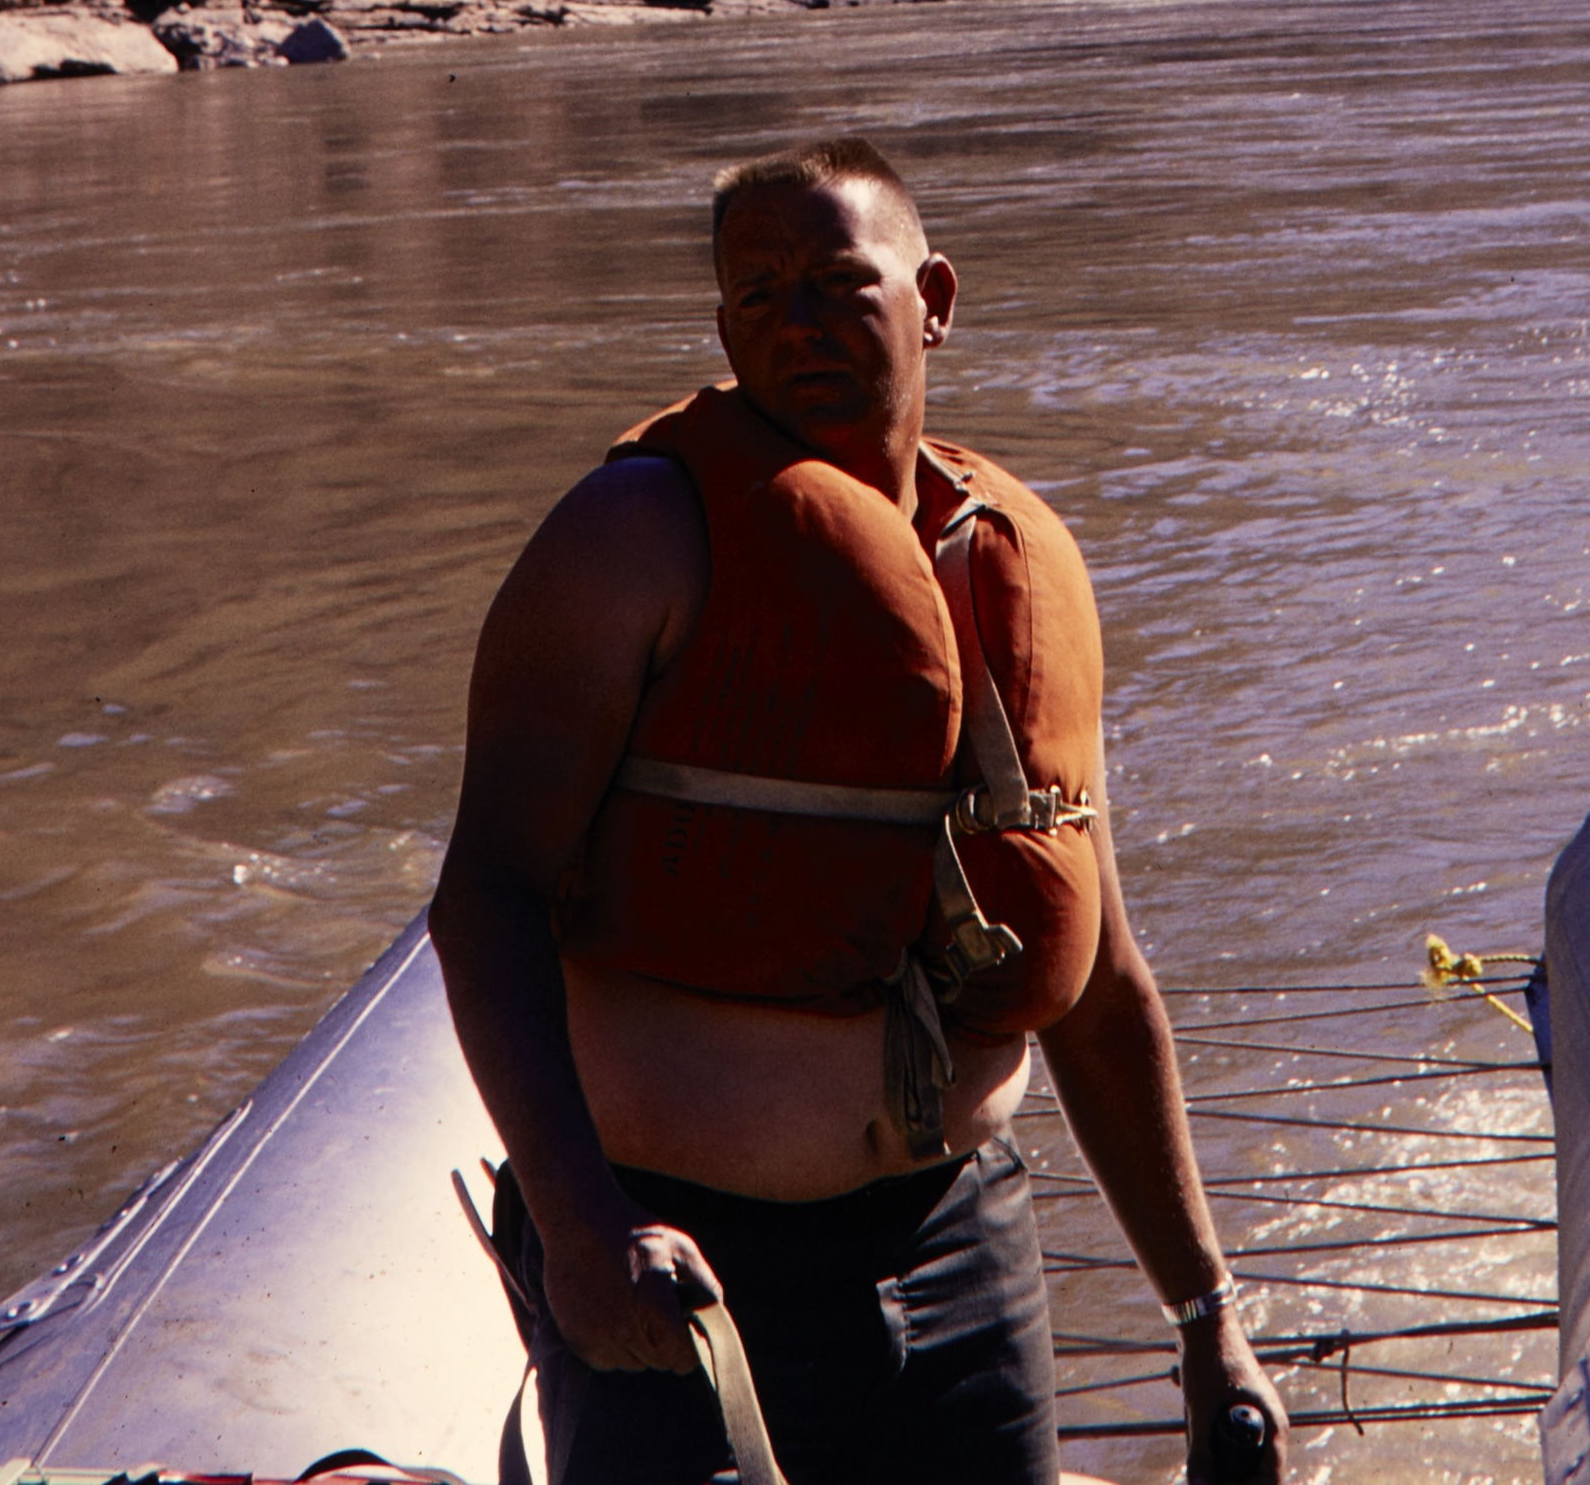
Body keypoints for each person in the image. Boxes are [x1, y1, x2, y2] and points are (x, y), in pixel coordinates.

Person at [429, 134, 1286, 1484]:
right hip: (679, 1261)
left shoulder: (1021, 560)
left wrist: (1205, 1317)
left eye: (838, 283)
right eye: (759, 296)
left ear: (932, 298)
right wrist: (577, 1223)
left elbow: (1101, 977)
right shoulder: (632, 538)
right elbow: (484, 898)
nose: (798, 323)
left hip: (964, 1248)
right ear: (724, 330)